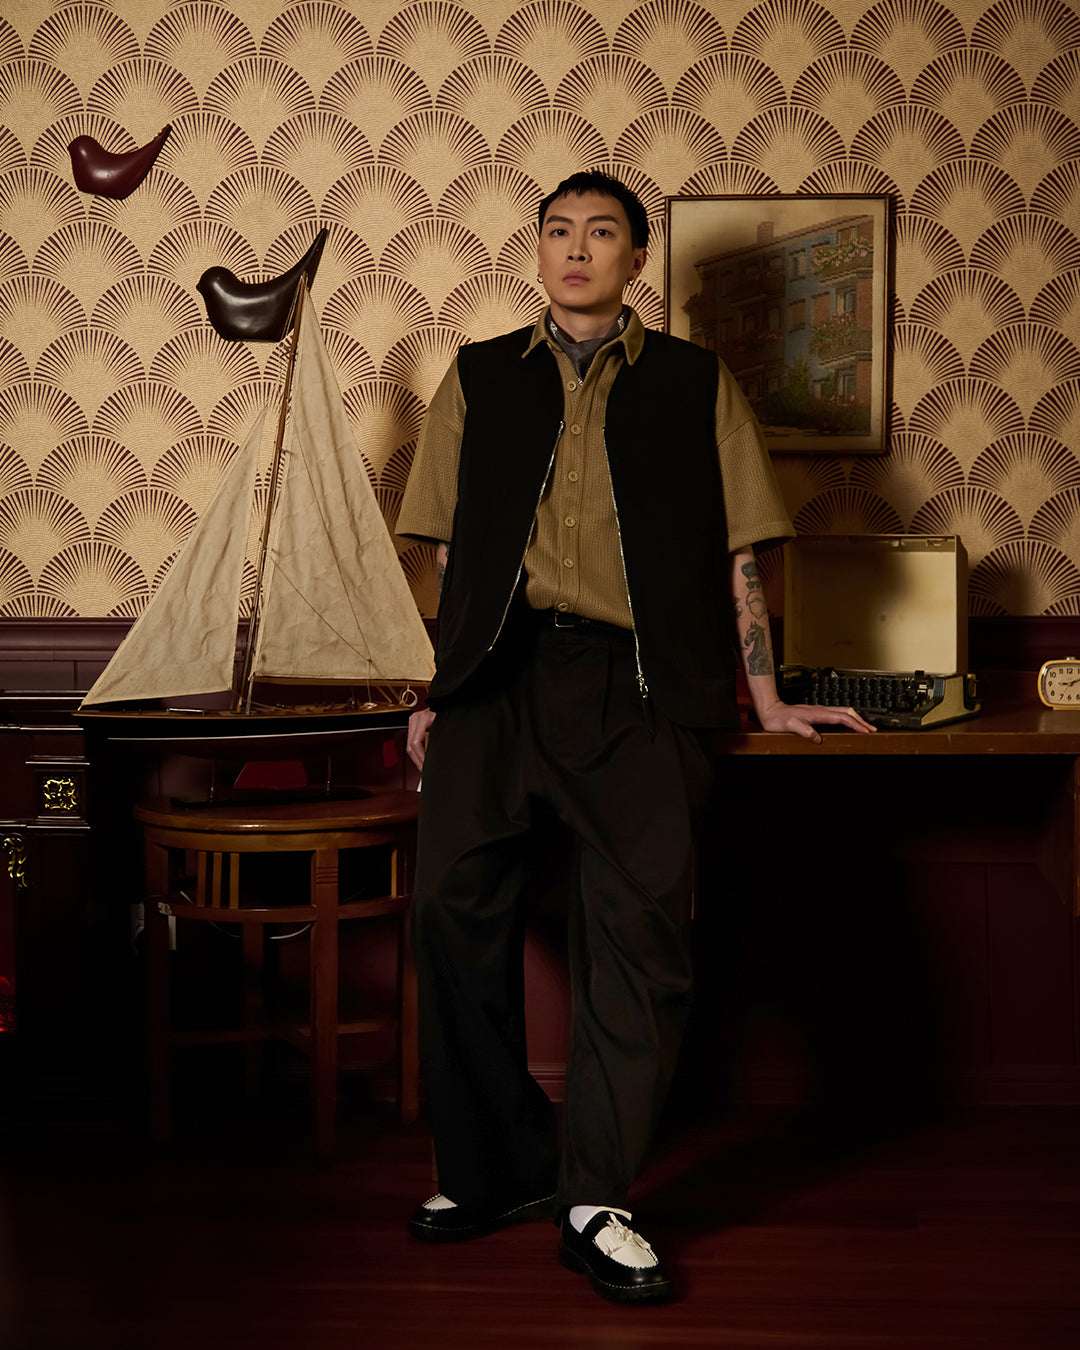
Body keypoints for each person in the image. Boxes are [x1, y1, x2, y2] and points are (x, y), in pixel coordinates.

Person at [395, 169, 874, 1304]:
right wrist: (435, 687)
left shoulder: (695, 384)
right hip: (496, 679)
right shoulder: (476, 377)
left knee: (639, 936)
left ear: (635, 259)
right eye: (558, 230)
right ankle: (498, 1166)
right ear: (538, 250)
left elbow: (741, 553)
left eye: (600, 232)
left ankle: (596, 1197)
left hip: (639, 684)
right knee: (449, 910)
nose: (575, 248)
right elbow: (449, 556)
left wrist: (766, 698)